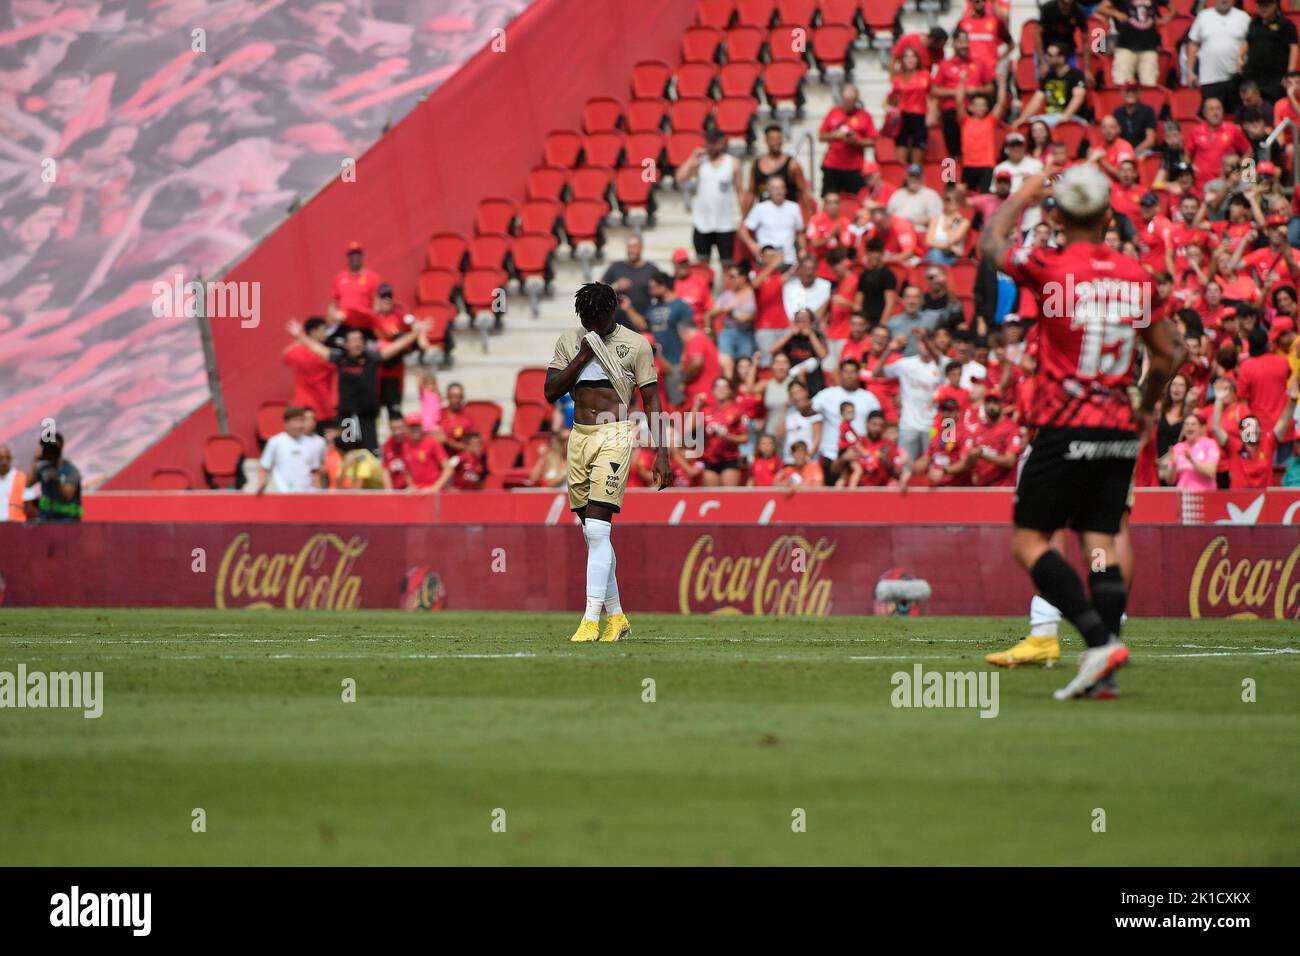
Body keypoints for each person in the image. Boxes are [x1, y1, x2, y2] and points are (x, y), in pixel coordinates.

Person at [979, 163, 1177, 700]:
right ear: (1109, 214)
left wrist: (1023, 194)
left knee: (1030, 542)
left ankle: (1095, 641)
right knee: (1100, 541)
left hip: (1065, 426)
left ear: (1060, 215)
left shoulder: (1047, 264)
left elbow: (991, 244)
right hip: (1117, 429)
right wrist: (1145, 403)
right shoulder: (1138, 275)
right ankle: (1105, 672)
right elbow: (1169, 354)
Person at [543, 282, 669, 643]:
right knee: (590, 533)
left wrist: (662, 453)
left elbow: (652, 401)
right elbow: (551, 392)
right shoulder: (571, 340)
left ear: (609, 313)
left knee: (598, 531)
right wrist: (583, 355)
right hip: (579, 436)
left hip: (613, 433)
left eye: (594, 317)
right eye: (583, 317)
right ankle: (616, 616)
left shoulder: (636, 345)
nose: (588, 323)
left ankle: (589, 619)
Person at [287, 318, 424, 454]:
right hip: (347, 416)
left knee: (371, 451)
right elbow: (318, 349)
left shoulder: (371, 358)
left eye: (359, 340)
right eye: (353, 340)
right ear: (346, 344)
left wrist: (415, 333)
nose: (357, 343)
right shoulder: (340, 358)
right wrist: (301, 335)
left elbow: (394, 348)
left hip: (367, 415)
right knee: (349, 449)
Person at [1213, 377, 1297, 487]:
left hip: (1265, 501)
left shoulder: (1268, 443)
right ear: (1241, 432)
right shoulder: (1233, 446)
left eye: (1256, 426)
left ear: (1260, 430)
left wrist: (1293, 401)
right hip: (1239, 501)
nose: (1252, 429)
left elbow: (1284, 422)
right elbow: (1216, 427)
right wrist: (1219, 400)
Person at [677, 130, 742, 268]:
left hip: (725, 224)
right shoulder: (700, 162)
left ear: (721, 143)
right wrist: (692, 158)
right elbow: (680, 177)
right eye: (708, 143)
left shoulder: (732, 163)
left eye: (714, 143)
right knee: (702, 265)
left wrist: (742, 217)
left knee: (728, 265)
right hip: (702, 223)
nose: (710, 147)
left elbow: (740, 192)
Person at [811, 358, 882, 482]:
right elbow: (808, 410)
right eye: (846, 371)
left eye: (853, 372)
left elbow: (878, 424)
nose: (849, 375)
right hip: (831, 453)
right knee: (833, 493)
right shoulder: (826, 394)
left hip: (859, 453)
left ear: (858, 374)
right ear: (840, 374)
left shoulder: (869, 398)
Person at [933, 28, 997, 161]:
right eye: (959, 42)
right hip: (951, 111)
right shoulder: (945, 65)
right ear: (954, 44)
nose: (963, 45)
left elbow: (990, 87)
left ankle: (969, 180)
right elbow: (935, 90)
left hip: (973, 113)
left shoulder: (978, 63)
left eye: (965, 41)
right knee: (951, 152)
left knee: (971, 149)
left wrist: (976, 90)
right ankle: (950, 180)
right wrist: (955, 93)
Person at [886, 327, 946, 460]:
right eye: (921, 342)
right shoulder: (906, 364)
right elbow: (877, 373)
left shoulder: (944, 363)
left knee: (936, 462)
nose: (925, 345)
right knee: (905, 465)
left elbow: (938, 361)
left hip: (934, 426)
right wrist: (890, 349)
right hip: (909, 424)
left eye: (928, 341)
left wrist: (923, 338)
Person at [1186, 0, 1253, 112]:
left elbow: (1251, 41)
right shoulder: (1203, 16)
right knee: (1212, 116)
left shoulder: (1243, 17)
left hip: (1236, 78)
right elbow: (1193, 44)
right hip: (1209, 79)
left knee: (1236, 115)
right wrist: (1190, 72)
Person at [818, 84, 877, 197]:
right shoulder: (834, 112)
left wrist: (857, 142)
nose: (848, 104)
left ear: (856, 100)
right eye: (846, 101)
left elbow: (873, 141)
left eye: (851, 101)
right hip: (832, 165)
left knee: (857, 199)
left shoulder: (865, 116)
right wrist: (834, 135)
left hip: (854, 168)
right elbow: (821, 136)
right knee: (829, 198)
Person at [743, 124, 811, 220]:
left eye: (779, 138)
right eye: (772, 139)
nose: (776, 142)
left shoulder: (792, 165)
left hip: (787, 218)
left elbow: (804, 192)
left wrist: (810, 218)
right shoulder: (757, 164)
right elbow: (751, 193)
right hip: (765, 218)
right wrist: (744, 218)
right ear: (766, 141)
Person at [1096, 0, 1171, 88]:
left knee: (1149, 84)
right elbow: (1100, 8)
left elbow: (1172, 8)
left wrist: (1165, 19)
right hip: (1125, 45)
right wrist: (1116, 13)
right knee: (1121, 83)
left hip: (1149, 46)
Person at [1241, 0, 1299, 105]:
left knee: (1273, 107)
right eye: (1260, 5)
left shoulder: (1285, 24)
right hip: (1254, 76)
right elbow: (1247, 42)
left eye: (1266, 5)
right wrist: (1239, 58)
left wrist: (1290, 73)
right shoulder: (1254, 23)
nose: (1262, 8)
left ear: (1274, 5)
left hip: (1275, 79)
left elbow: (1293, 48)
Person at [1020, 43, 1092, 127]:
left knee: (1038, 125)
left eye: (1050, 55)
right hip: (1052, 118)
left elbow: (1078, 99)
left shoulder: (1076, 75)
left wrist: (1063, 119)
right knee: (1029, 125)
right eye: (1047, 55)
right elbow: (1036, 100)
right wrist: (1022, 119)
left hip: (1074, 118)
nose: (1047, 58)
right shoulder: (1048, 76)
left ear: (1061, 58)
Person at [282, 316, 337, 422]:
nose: (326, 333)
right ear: (313, 331)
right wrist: (302, 337)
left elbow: (285, 355)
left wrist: (300, 337)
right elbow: (331, 358)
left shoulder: (296, 350)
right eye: (323, 330)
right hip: (322, 404)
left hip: (302, 403)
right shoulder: (323, 353)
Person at [740, 176, 804, 266]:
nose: (778, 191)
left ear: (785, 190)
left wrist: (802, 249)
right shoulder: (760, 208)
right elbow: (742, 229)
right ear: (769, 191)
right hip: (766, 261)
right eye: (774, 188)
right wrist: (752, 246)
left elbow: (799, 232)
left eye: (781, 187)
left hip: (789, 260)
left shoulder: (794, 207)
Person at [258, 406, 320, 494]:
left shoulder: (312, 443)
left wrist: (318, 492)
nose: (299, 425)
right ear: (286, 423)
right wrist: (262, 483)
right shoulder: (275, 442)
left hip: (307, 494)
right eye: (295, 421)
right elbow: (264, 467)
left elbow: (315, 471)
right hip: (283, 494)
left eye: (301, 421)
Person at [601, 235, 658, 330]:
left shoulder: (651, 269)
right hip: (617, 325)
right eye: (629, 246)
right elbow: (599, 290)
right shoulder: (616, 267)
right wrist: (615, 286)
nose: (632, 250)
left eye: (635, 246)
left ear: (641, 248)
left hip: (642, 324)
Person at [888, 47, 932, 168]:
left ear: (918, 59)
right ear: (902, 60)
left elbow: (932, 96)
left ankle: (916, 181)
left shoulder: (925, 75)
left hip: (920, 116)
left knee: (917, 160)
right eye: (907, 56)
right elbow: (890, 100)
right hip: (903, 117)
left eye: (913, 56)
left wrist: (932, 114)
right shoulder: (897, 78)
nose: (910, 59)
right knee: (901, 160)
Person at [27, 432, 82, 522]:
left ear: (60, 448)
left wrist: (57, 479)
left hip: (67, 521)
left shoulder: (70, 470)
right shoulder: (43, 468)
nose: (50, 450)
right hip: (46, 520)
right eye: (47, 447)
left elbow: (68, 496)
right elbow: (27, 484)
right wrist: (35, 459)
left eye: (53, 447)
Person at [1160, 412, 1221, 489]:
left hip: (1205, 496)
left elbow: (1210, 472)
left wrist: (1191, 460)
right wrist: (1174, 465)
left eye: (1193, 424)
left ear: (1200, 428)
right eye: (1186, 424)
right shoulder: (1178, 447)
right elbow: (1170, 481)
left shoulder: (1210, 444)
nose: (1189, 427)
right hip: (1184, 496)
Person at [330, 241, 381, 321]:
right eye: (352, 255)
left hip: (364, 321)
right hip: (343, 322)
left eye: (357, 255)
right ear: (347, 258)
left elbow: (377, 302)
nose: (355, 258)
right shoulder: (339, 278)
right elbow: (333, 303)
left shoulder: (372, 277)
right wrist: (333, 317)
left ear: (362, 257)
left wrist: (371, 317)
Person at [886, 165, 943, 235]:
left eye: (916, 177)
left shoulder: (930, 195)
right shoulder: (898, 194)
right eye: (911, 177)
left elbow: (936, 218)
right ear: (906, 178)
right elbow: (888, 214)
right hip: (895, 230)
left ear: (922, 178)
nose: (913, 179)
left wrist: (910, 223)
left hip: (917, 231)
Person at [925, 191, 972, 265]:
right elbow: (929, 241)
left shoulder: (963, 222)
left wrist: (950, 226)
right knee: (935, 253)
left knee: (935, 254)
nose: (950, 204)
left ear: (959, 204)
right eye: (947, 200)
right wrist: (950, 247)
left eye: (954, 202)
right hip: (935, 253)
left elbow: (951, 240)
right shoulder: (936, 218)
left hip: (950, 256)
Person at [0, 445, 27, 522]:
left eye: (7, 458)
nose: (4, 462)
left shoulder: (21, 478)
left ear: (11, 459)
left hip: (15, 527)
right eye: (0, 458)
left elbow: (29, 508)